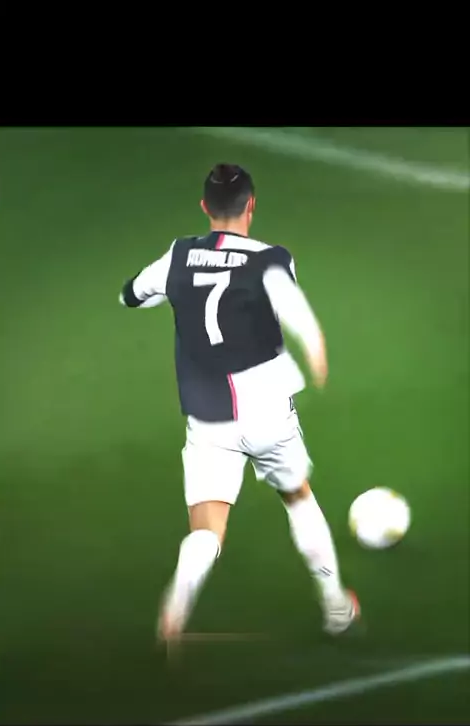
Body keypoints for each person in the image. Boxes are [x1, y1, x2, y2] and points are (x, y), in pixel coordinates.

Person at [119, 163, 360, 641]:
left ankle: (179, 600)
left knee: (207, 530)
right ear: (251, 205)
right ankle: (337, 608)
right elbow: (298, 317)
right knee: (298, 499)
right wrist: (316, 352)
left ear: (204, 207)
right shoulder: (270, 259)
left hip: (209, 419)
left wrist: (165, 292)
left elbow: (132, 295)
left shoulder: (178, 255)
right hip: (268, 411)